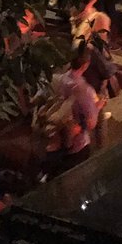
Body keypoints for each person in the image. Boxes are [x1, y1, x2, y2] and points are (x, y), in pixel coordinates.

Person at [36, 43, 104, 178]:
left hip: (50, 138)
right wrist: (98, 106)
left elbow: (37, 99)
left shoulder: (53, 79)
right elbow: (91, 123)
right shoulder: (85, 91)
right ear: (86, 64)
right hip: (73, 145)